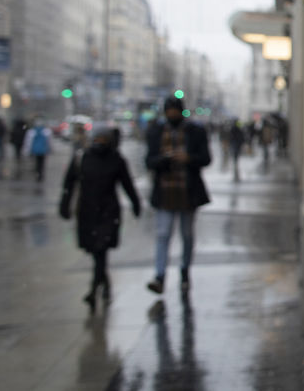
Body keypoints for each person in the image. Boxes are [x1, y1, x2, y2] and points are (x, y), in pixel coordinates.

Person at [59, 127, 141, 310]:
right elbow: (69, 183)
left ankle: (93, 289)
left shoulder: (116, 159)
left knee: (101, 250)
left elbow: (127, 184)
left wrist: (136, 203)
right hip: (87, 211)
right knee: (95, 251)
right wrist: (65, 205)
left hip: (108, 212)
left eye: (104, 139)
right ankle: (105, 282)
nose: (101, 142)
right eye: (98, 138)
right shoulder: (82, 158)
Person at [144, 96, 211, 294]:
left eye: (174, 110)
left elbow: (206, 158)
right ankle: (160, 275)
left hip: (188, 191)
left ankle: (184, 271)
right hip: (164, 191)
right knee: (163, 234)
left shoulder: (195, 131)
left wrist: (189, 158)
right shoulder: (156, 131)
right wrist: (164, 159)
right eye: (169, 111)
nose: (172, 114)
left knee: (187, 234)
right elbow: (149, 161)